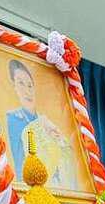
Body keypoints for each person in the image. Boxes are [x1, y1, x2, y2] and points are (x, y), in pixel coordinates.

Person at [5, 59, 75, 187]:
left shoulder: (47, 123)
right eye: (21, 83)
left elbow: (67, 158)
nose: (27, 91)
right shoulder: (13, 119)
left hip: (58, 188)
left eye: (30, 85)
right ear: (14, 86)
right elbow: (18, 166)